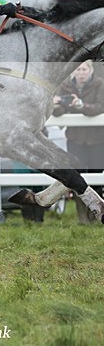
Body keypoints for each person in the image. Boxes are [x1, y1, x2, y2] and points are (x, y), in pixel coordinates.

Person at [52, 60, 104, 224]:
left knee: (96, 176)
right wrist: (56, 104)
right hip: (75, 139)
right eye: (78, 69)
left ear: (90, 70)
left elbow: (100, 107)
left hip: (97, 139)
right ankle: (83, 217)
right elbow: (60, 112)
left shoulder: (100, 84)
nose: (81, 72)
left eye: (84, 69)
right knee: (77, 178)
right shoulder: (66, 86)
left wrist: (81, 105)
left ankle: (97, 215)